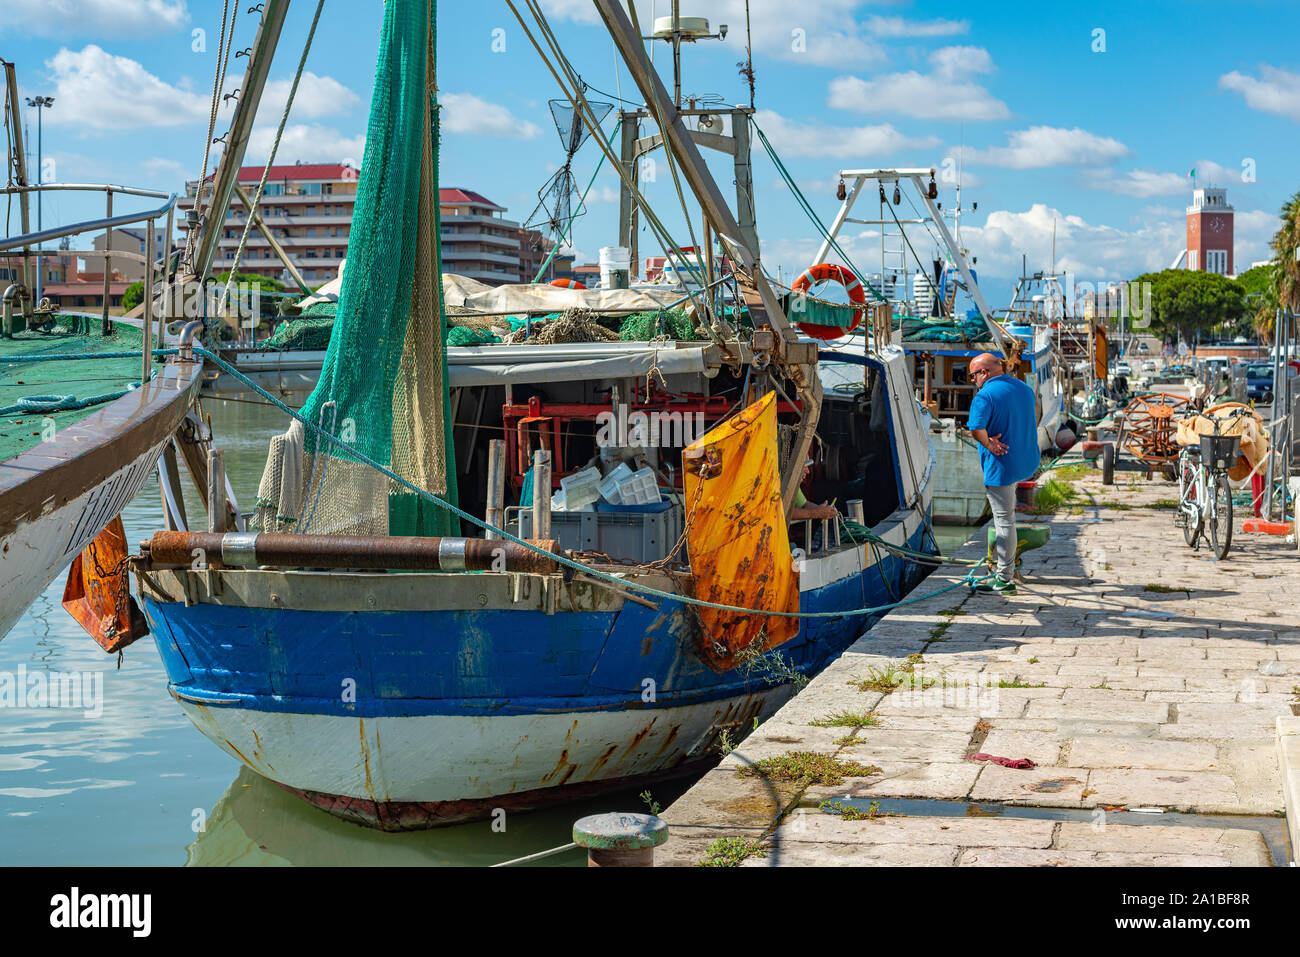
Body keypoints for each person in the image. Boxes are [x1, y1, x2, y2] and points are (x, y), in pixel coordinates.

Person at [966, 353, 1038, 595]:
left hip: (1002, 465)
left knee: (1004, 522)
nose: (972, 380)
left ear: (984, 373)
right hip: (1026, 461)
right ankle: (1008, 567)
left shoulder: (984, 395)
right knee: (1009, 518)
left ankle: (1004, 579)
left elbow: (975, 429)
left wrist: (990, 444)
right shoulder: (1024, 388)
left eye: (973, 375)